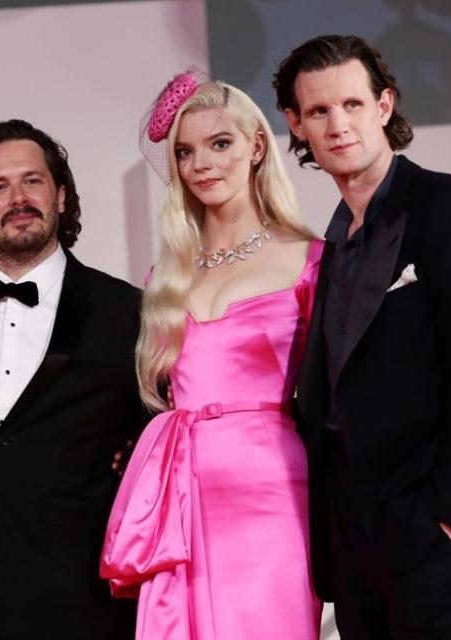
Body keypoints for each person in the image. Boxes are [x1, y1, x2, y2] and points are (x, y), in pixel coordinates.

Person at [273, 35, 451, 639]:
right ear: (296, 124)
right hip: (356, 543)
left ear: (384, 106)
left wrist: (449, 513)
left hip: (437, 529)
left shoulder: (450, 209)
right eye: (318, 111)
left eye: (353, 105)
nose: (338, 125)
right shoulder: (328, 248)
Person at [100, 74, 323, 638]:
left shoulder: (311, 259)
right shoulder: (165, 278)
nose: (201, 163)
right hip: (181, 496)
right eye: (184, 151)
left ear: (255, 146)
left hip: (273, 491)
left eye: (219, 143)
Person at [0, 119, 143, 639]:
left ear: (61, 196)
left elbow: (155, 434)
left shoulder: (126, 310)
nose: (18, 198)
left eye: (33, 181)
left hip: (83, 602)